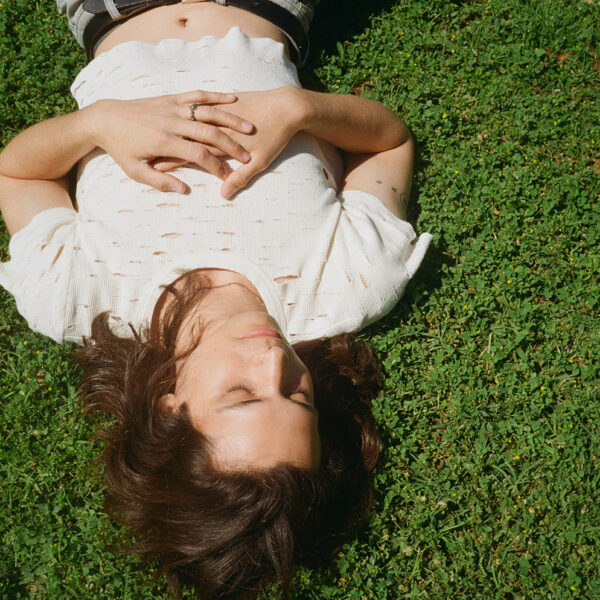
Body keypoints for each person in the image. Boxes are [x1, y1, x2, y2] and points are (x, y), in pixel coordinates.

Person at [0, 1, 432, 598]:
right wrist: (298, 108)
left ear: (170, 409)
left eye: (242, 394)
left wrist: (98, 125)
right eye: (299, 396)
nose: (275, 362)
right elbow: (389, 143)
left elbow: (17, 174)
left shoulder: (78, 298)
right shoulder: (350, 282)